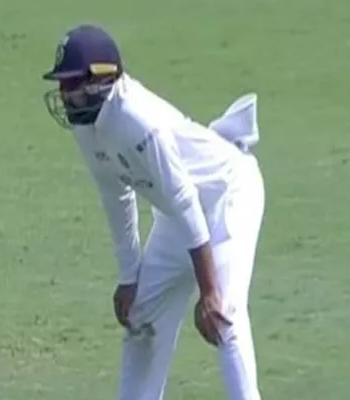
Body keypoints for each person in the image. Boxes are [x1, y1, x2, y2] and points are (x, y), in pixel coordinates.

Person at [41, 24, 265, 400]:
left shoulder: (137, 120)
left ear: (100, 80)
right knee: (142, 316)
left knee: (223, 315)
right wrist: (130, 278)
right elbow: (116, 197)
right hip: (181, 212)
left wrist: (208, 290)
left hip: (228, 195)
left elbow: (184, 199)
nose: (64, 95)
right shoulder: (87, 125)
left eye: (71, 84)